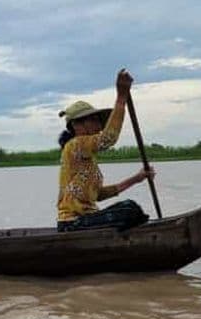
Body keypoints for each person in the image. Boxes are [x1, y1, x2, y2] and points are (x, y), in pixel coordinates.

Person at [56, 68, 156, 232]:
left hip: (87, 219)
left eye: (98, 121)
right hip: (73, 223)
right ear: (76, 125)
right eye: (93, 120)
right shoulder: (75, 145)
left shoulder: (86, 157)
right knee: (129, 209)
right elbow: (108, 138)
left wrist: (137, 178)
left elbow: (99, 195)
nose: (98, 125)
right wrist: (121, 98)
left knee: (132, 210)